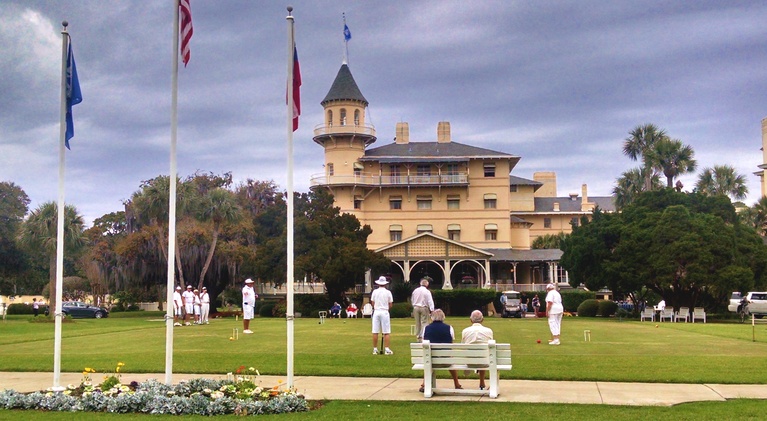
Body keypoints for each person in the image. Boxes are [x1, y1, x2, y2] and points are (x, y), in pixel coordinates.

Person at [419, 309, 462, 392]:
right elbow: (451, 343)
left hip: (431, 360)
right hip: (446, 360)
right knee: (450, 356)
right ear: (443, 317)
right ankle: (456, 383)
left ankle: (424, 383)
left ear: (432, 317)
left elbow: (424, 343)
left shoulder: (426, 328)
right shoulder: (449, 328)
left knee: (428, 358)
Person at [461, 310, 494, 390]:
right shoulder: (489, 331)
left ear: (471, 320)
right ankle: (482, 382)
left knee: (480, 355)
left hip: (469, 362)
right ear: (482, 320)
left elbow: (462, 346)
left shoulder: (465, 331)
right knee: (484, 355)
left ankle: (480, 380)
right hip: (485, 361)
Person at [371, 276, 394, 355]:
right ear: (385, 284)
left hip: (376, 312)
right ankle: (387, 349)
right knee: (386, 332)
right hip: (384, 312)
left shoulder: (374, 292)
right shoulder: (388, 292)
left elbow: (373, 303)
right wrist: (386, 308)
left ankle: (375, 349)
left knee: (375, 331)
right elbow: (390, 304)